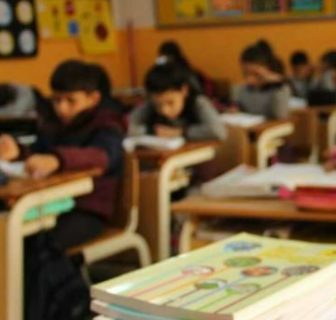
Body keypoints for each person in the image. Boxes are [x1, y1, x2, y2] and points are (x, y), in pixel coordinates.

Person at [0, 60, 124, 250]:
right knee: (13, 234)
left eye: (70, 101)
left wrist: (57, 160)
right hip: (50, 205)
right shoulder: (54, 124)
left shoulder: (108, 124)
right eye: (56, 100)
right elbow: (39, 153)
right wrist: (18, 152)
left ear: (93, 98)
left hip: (87, 211)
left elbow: (103, 156)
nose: (61, 108)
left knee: (37, 246)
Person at [128, 61, 225, 141]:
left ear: (184, 90)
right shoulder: (150, 105)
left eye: (170, 103)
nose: (164, 110)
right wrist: (152, 131)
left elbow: (217, 131)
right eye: (158, 105)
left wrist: (180, 132)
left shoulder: (198, 103)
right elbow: (129, 125)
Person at [233, 40, 291, 119]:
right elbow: (241, 111)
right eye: (245, 74)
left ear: (268, 70)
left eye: (256, 74)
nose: (250, 80)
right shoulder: (243, 90)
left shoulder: (279, 89)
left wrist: (278, 83)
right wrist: (235, 109)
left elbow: (280, 115)